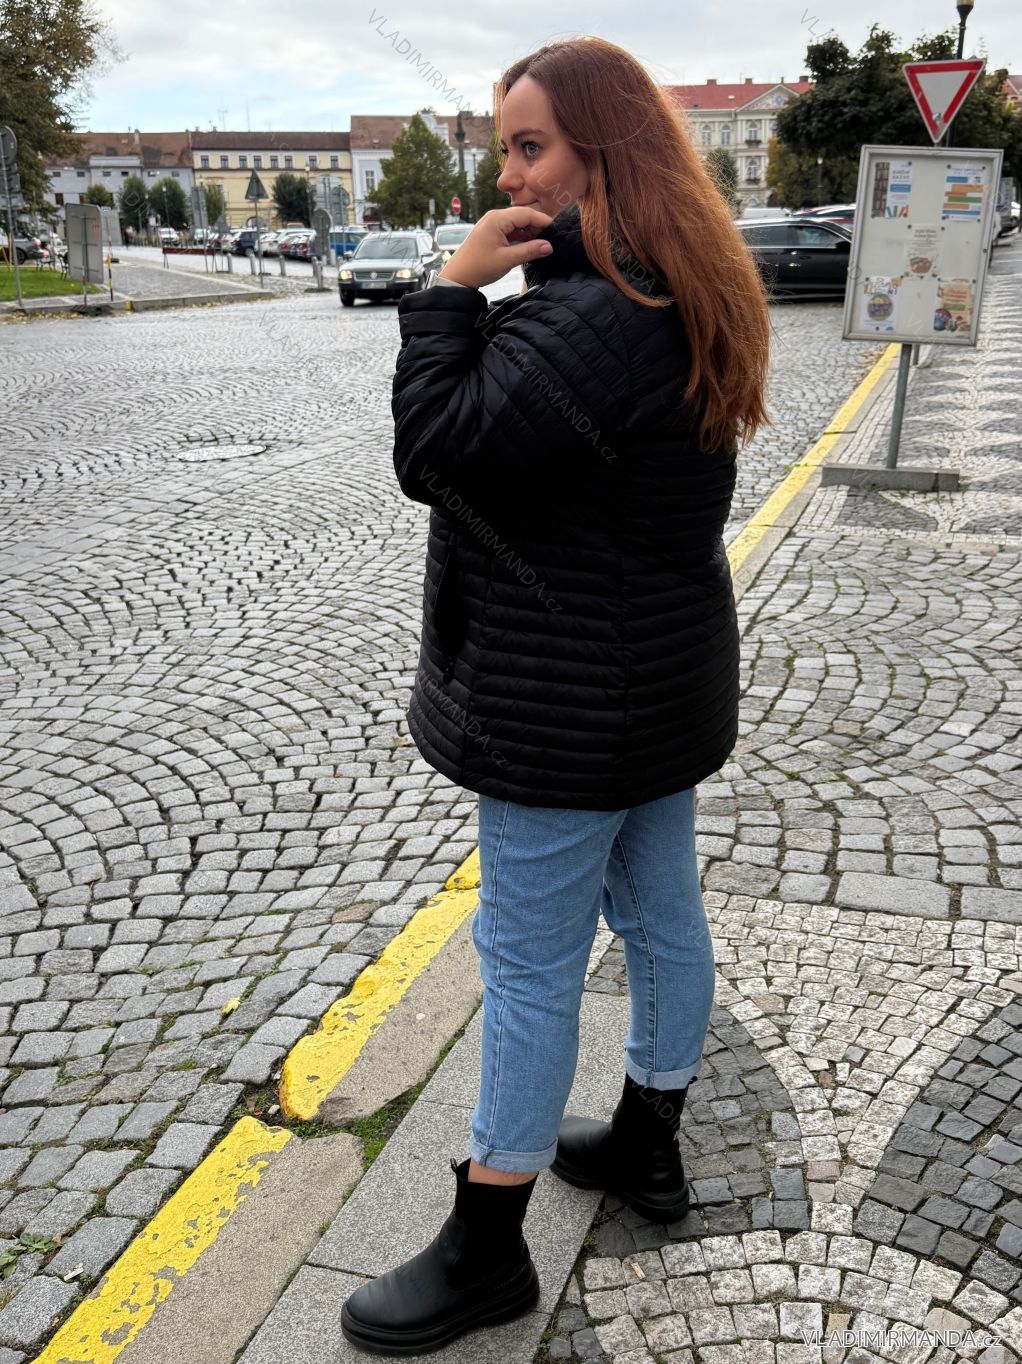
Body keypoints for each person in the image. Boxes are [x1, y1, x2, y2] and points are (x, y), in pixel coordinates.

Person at [340, 34, 770, 1356]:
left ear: (603, 151)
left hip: (562, 704)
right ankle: (647, 1137)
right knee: (661, 911)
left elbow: (435, 451)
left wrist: (447, 293)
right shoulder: (677, 280)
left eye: (529, 146)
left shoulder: (593, 315)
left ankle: (487, 1248)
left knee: (526, 964)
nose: (506, 173)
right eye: (504, 147)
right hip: (655, 683)